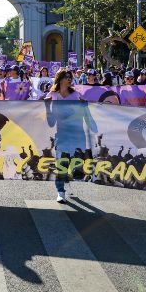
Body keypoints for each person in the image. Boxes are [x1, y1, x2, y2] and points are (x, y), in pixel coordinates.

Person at [44, 70, 94, 203]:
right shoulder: (53, 95)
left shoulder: (76, 94)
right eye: (67, 77)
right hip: (62, 135)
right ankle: (61, 192)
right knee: (62, 166)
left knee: (77, 169)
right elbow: (51, 123)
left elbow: (85, 113)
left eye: (70, 77)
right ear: (60, 79)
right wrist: (47, 107)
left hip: (77, 135)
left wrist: (85, 106)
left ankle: (75, 171)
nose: (69, 79)